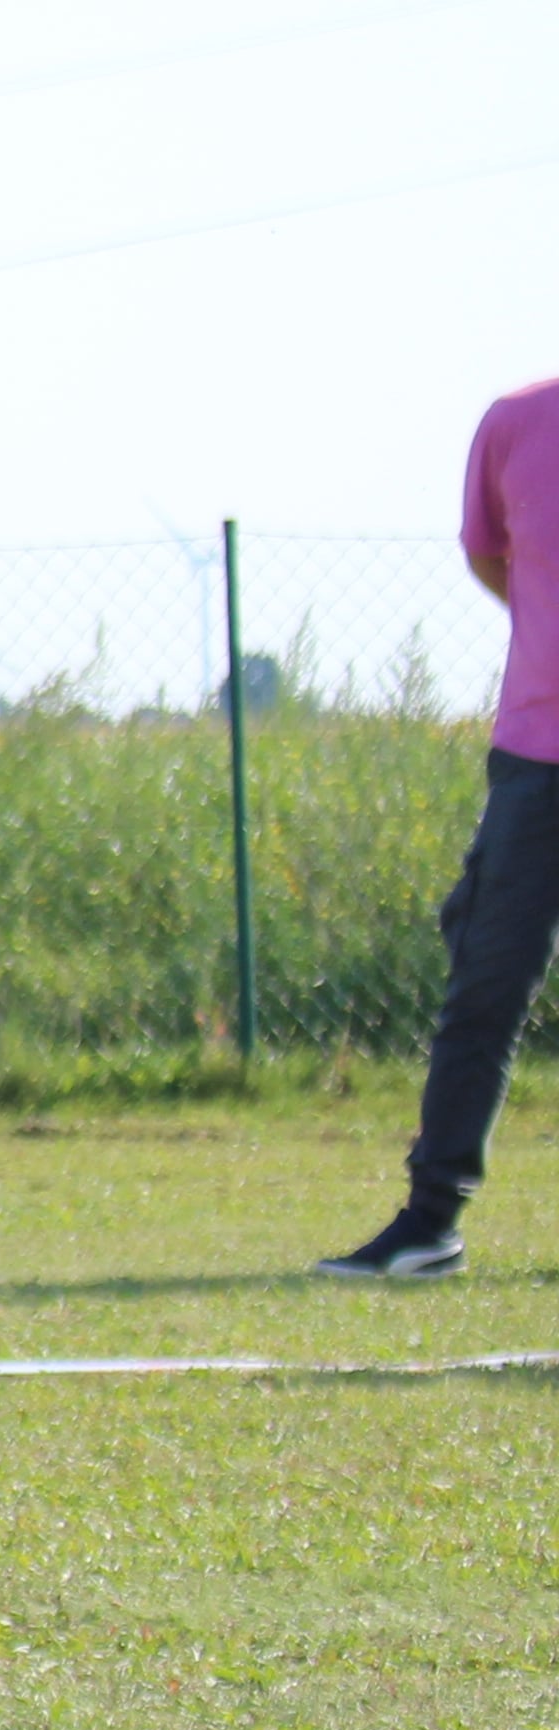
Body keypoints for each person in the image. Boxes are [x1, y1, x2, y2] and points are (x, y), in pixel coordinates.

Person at [321, 371, 559, 1281]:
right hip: (536, 759)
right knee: (485, 984)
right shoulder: (514, 425)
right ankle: (429, 1225)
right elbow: (492, 557)